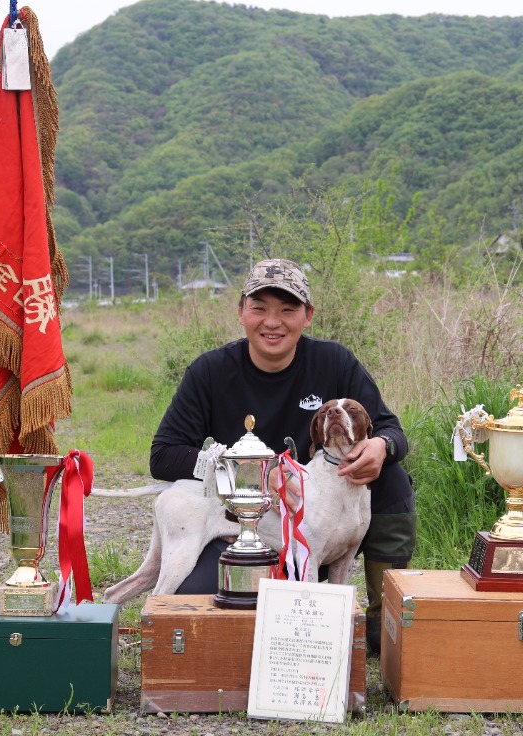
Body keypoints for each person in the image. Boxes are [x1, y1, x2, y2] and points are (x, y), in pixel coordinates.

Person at [150, 258, 416, 654]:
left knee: (391, 477)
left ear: (308, 316)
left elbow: (393, 431)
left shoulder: (334, 363)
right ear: (241, 313)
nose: (272, 322)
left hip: (321, 538)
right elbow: (164, 455)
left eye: (288, 310)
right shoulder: (210, 371)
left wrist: (381, 446)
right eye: (259, 308)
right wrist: (252, 474)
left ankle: (381, 622)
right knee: (197, 594)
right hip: (245, 534)